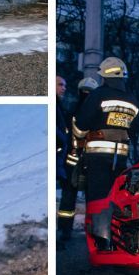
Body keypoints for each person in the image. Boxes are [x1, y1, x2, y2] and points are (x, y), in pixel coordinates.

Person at [70, 57, 139, 252]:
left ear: (104, 75)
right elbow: (135, 130)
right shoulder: (133, 100)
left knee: (97, 195)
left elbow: (81, 124)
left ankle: (101, 243)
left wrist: (79, 139)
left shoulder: (98, 95)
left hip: (98, 155)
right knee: (114, 196)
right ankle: (116, 238)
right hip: (121, 157)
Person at [57, 76, 98, 244]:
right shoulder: (96, 113)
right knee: (92, 199)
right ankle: (93, 233)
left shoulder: (71, 110)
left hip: (71, 163)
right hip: (89, 163)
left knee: (68, 198)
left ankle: (64, 232)